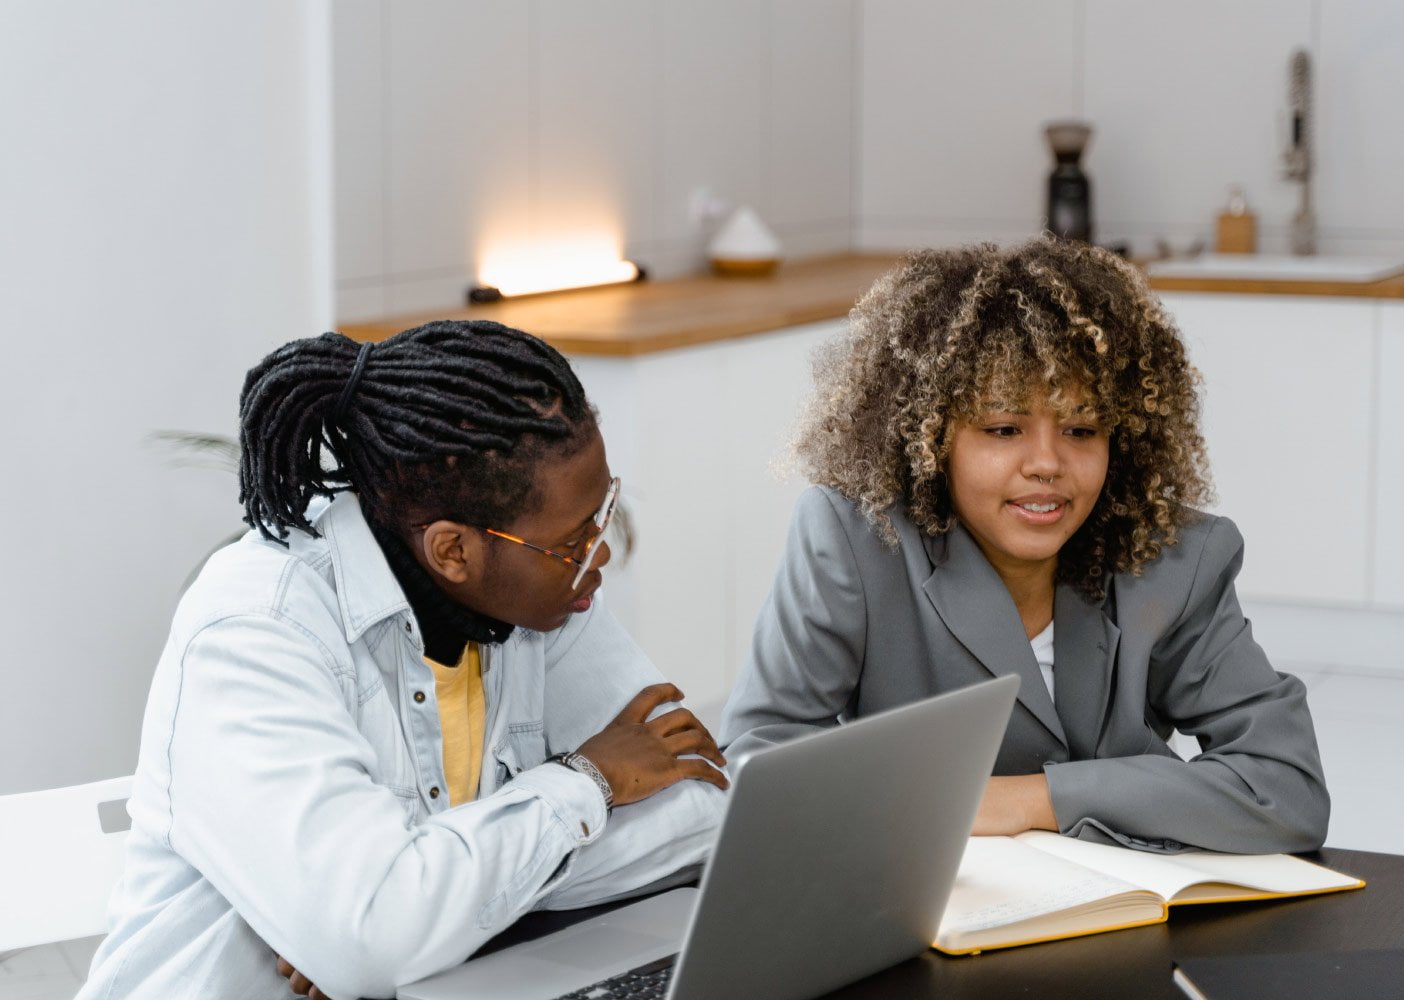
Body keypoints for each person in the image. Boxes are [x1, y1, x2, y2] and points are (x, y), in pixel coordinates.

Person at [79, 320, 729, 1000]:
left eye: (602, 514)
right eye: (573, 541)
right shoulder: (256, 630)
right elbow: (371, 941)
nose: (599, 552)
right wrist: (585, 782)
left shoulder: (542, 602)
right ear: (453, 551)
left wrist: (428, 916)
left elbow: (698, 810)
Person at [721, 238, 1329, 855]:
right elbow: (759, 765)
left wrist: (1026, 800)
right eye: (1004, 428)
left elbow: (1286, 789)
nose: (1046, 463)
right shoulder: (854, 541)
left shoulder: (1175, 557)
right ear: (930, 438)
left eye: (1081, 429)